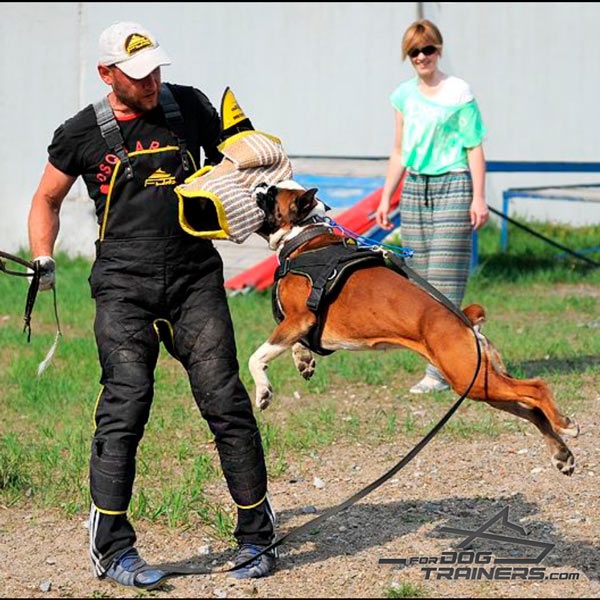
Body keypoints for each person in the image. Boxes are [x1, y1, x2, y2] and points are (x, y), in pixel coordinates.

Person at [27, 21, 276, 590]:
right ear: (106, 74)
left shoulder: (190, 108)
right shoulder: (80, 134)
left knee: (225, 400)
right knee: (126, 404)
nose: (152, 81)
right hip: (123, 282)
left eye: (156, 69)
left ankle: (258, 535)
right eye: (138, 75)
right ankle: (112, 550)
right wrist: (42, 257)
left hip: (194, 276)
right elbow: (46, 198)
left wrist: (255, 172)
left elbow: (243, 163)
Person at [375, 18, 489, 394]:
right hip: (415, 189)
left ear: (439, 50)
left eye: (428, 49)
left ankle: (440, 371)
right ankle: (459, 352)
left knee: (444, 277)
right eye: (414, 52)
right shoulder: (403, 96)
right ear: (408, 57)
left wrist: (478, 196)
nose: (422, 57)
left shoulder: (458, 92)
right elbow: (399, 151)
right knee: (420, 281)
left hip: (454, 185)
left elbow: (474, 146)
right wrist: (385, 197)